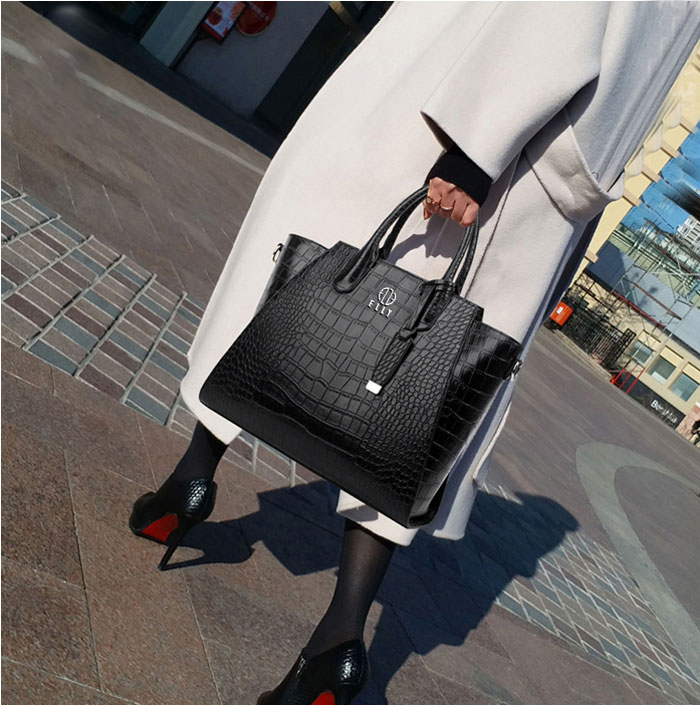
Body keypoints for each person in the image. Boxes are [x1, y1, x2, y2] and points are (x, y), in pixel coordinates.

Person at [129, 3, 700, 704]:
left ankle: (191, 481)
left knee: (304, 273)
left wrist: (476, 146)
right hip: (549, 169)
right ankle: (337, 641)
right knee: (419, 406)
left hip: (468, 113)